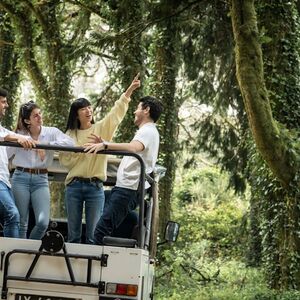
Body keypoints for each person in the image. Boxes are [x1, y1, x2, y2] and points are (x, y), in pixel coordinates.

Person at [59, 75, 140, 244]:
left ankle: (90, 270)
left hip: (95, 186)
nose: (88, 111)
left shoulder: (100, 129)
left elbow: (115, 114)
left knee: (93, 235)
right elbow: (65, 162)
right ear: (76, 114)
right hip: (74, 185)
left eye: (89, 107)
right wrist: (83, 152)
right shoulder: (69, 135)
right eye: (83, 109)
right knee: (73, 234)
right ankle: (72, 267)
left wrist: (129, 91)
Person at [83, 95, 163, 245]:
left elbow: (133, 148)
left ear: (146, 110)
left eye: (138, 108)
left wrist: (106, 145)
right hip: (125, 187)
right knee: (103, 215)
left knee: (101, 230)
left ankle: (93, 265)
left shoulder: (148, 131)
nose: (134, 112)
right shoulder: (148, 131)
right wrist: (105, 144)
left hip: (129, 189)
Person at [7, 101, 74, 240]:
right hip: (20, 177)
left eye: (40, 113)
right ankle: (20, 255)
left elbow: (71, 143)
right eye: (35, 116)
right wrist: (18, 140)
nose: (39, 117)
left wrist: (44, 145)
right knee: (22, 223)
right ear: (27, 120)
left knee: (43, 222)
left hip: (41, 179)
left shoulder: (51, 132)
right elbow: (6, 154)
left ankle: (30, 251)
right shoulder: (19, 134)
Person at [0, 88, 36, 238]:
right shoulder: (4, 133)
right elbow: (7, 136)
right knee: (13, 215)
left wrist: (30, 140)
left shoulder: (2, 129)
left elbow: (11, 136)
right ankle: (10, 259)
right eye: (3, 102)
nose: (6, 105)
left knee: (13, 217)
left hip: (4, 181)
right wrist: (16, 138)